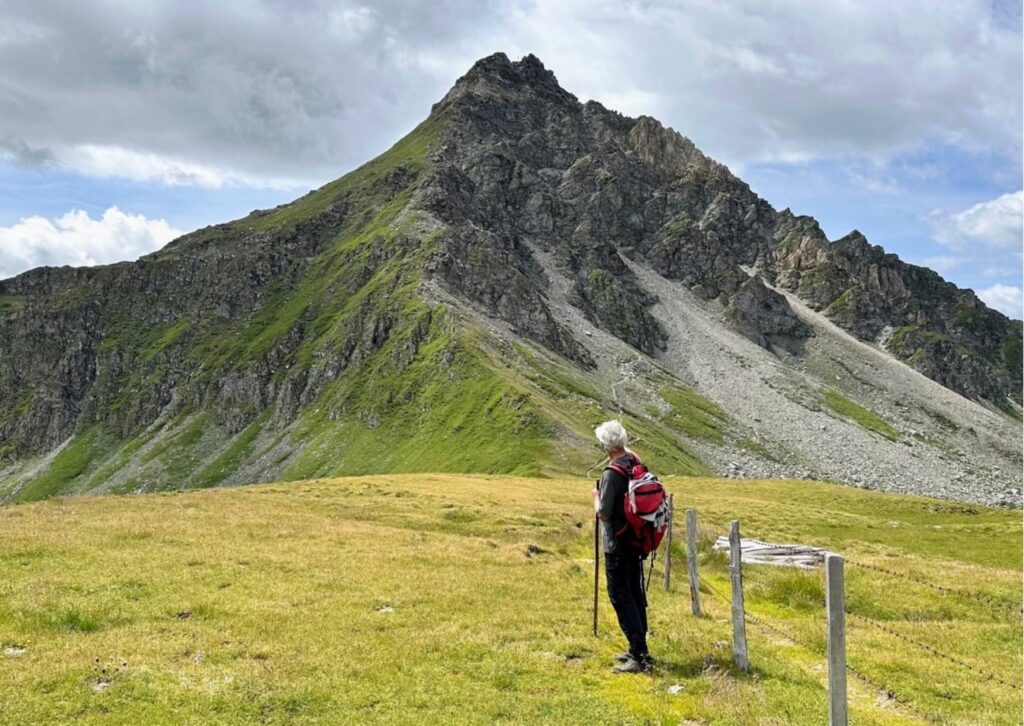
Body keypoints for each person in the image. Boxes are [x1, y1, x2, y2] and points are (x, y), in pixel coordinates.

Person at [593, 419, 652, 674]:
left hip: (616, 543)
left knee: (620, 595)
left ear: (605, 446)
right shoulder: (634, 463)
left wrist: (596, 498)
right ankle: (637, 648)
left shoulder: (612, 474)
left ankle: (639, 656)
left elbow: (604, 513)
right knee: (635, 593)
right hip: (635, 541)